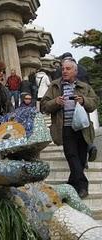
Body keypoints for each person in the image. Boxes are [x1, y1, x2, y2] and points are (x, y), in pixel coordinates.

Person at [41, 59, 98, 199]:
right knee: (71, 155)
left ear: (75, 71)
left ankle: (72, 183)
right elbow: (44, 106)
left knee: (80, 158)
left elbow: (95, 102)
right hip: (65, 127)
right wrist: (56, 102)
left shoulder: (84, 87)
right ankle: (83, 186)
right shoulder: (55, 86)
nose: (64, 71)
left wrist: (84, 101)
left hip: (82, 128)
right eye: (63, 68)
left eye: (68, 69)